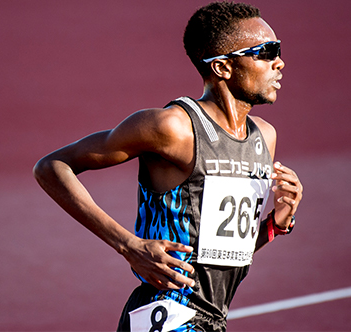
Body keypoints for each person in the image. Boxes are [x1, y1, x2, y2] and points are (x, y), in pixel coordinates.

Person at [33, 1, 303, 331]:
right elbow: (52, 166)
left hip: (214, 318)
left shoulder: (264, 136)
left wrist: (275, 224)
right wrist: (128, 245)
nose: (279, 62)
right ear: (223, 68)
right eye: (265, 51)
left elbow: (220, 254)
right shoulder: (172, 128)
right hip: (170, 316)